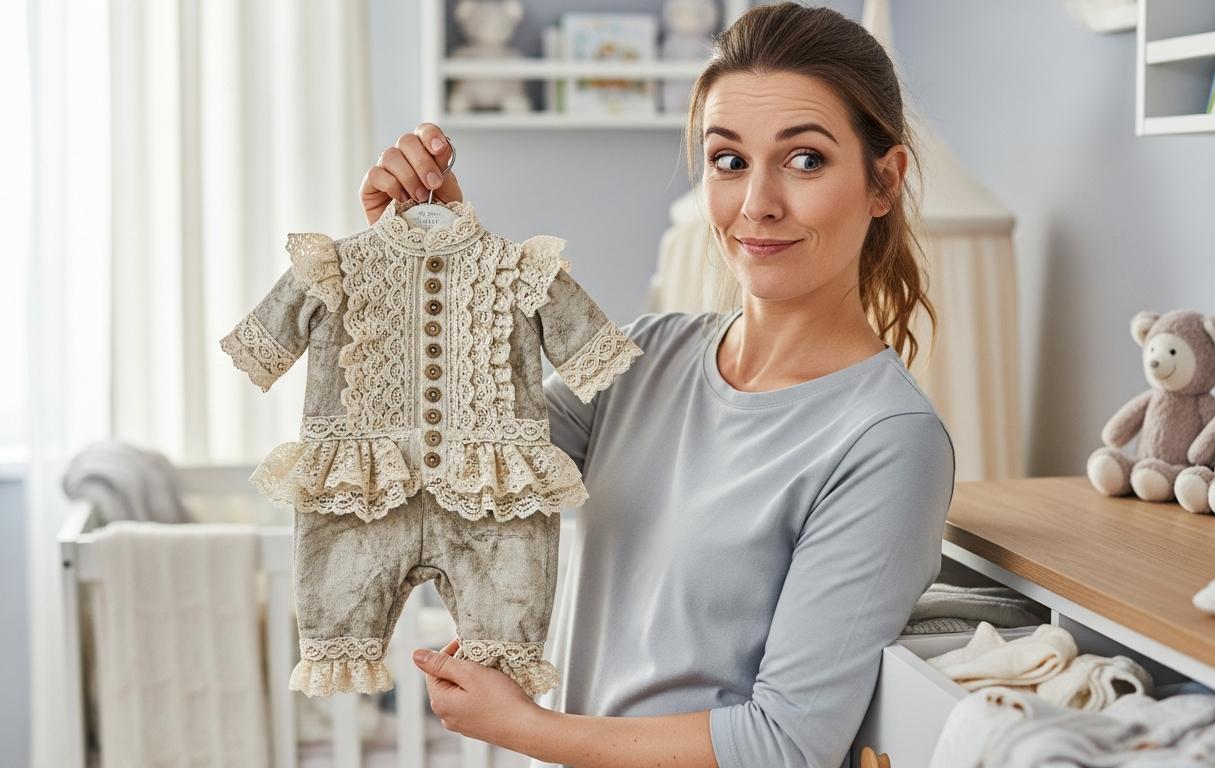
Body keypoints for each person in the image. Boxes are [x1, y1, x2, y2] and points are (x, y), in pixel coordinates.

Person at [358, 4, 954, 766]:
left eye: (804, 159)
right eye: (729, 160)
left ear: (883, 181)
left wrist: (522, 727)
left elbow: (784, 743)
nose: (757, 203)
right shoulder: (645, 355)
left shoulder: (888, 443)